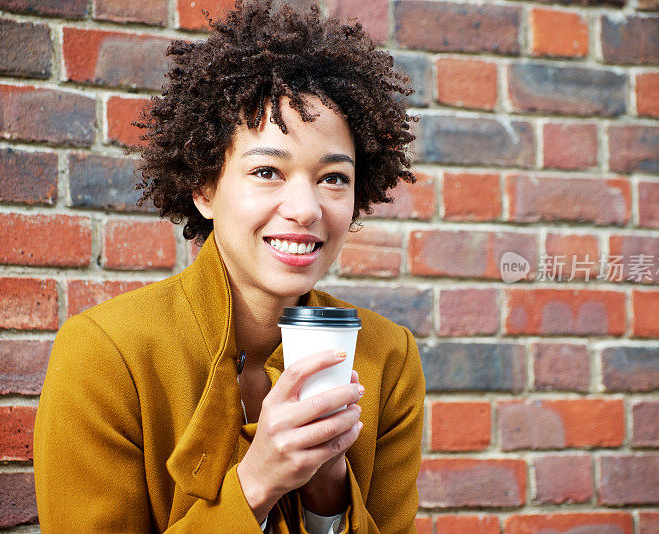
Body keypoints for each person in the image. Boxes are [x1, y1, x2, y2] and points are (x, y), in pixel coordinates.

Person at [33, 1, 425, 532]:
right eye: (267, 170)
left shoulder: (387, 359)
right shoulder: (107, 356)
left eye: (334, 177)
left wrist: (327, 496)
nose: (306, 208)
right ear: (204, 188)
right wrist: (257, 484)